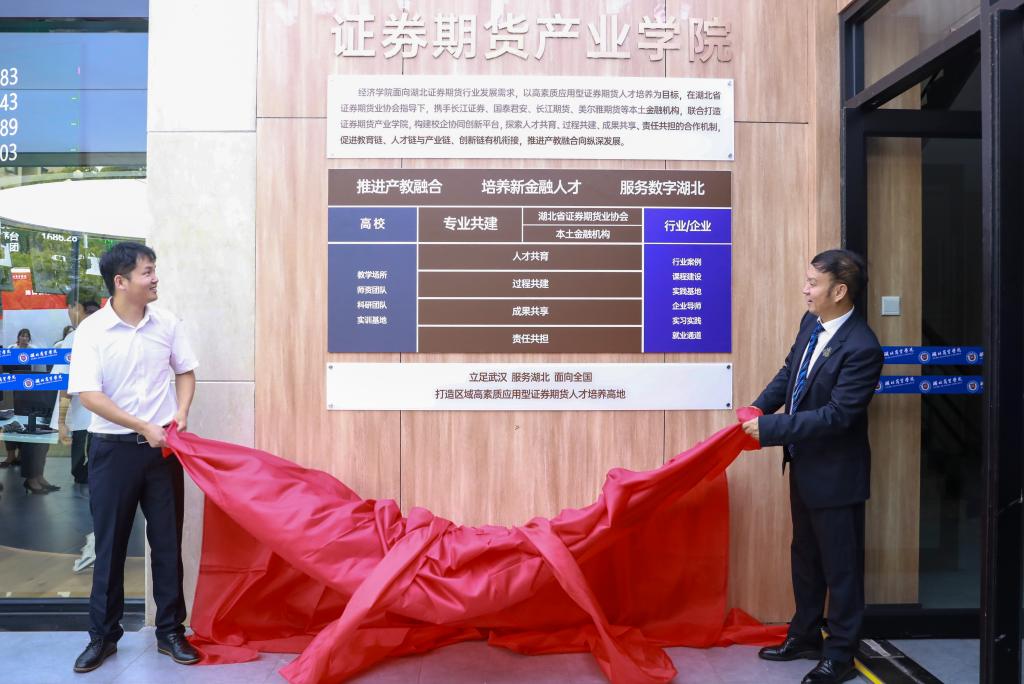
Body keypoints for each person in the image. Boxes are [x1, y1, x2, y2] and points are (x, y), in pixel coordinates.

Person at [742, 249, 883, 684]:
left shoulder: (862, 347)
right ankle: (804, 635)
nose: (805, 290)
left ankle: (840, 655)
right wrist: (758, 407)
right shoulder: (812, 323)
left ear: (839, 291)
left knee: (841, 568)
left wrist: (771, 429)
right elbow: (791, 373)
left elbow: (838, 416)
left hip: (837, 477)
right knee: (805, 557)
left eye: (813, 283)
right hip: (803, 466)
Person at [68, 242, 200, 673]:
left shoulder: (167, 323)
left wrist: (181, 413)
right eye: (147, 272)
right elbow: (90, 395)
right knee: (110, 546)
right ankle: (103, 637)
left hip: (163, 452)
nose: (155, 278)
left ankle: (171, 632)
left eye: (154, 269)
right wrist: (142, 425)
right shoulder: (92, 331)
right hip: (113, 452)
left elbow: (185, 371)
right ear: (121, 281)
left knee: (167, 543)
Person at [55, 297, 101, 484]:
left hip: (93, 414)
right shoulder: (76, 338)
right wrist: (62, 420)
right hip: (92, 413)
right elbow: (64, 381)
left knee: (87, 465)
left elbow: (64, 381)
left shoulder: (77, 338)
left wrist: (61, 421)